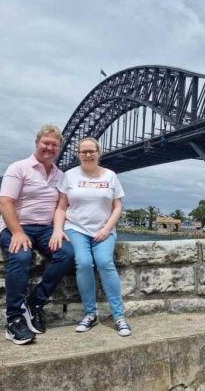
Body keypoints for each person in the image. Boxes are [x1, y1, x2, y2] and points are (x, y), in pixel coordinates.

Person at [0, 125, 75, 345]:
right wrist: (18, 232)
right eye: (46, 143)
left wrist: (58, 230)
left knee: (67, 253)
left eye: (54, 145)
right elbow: (5, 202)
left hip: (45, 229)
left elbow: (62, 206)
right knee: (22, 256)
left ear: (59, 148)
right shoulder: (19, 168)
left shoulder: (60, 175)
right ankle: (14, 320)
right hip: (15, 226)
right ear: (37, 143)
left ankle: (35, 302)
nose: (49, 148)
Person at [50, 136, 131, 336]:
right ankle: (90, 314)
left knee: (105, 262)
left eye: (91, 151)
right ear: (78, 154)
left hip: (104, 229)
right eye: (83, 151)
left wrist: (106, 228)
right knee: (84, 263)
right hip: (75, 228)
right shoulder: (69, 175)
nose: (87, 155)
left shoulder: (110, 176)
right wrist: (57, 229)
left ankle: (119, 316)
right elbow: (61, 206)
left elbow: (118, 206)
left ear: (98, 153)